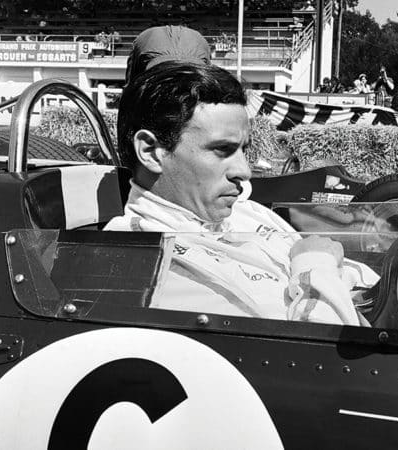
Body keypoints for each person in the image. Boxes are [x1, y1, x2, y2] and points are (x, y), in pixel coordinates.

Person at [106, 62, 375, 326]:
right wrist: (316, 268)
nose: (245, 171)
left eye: (243, 150)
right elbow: (313, 361)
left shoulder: (248, 212)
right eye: (222, 150)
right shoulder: (141, 260)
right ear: (151, 152)